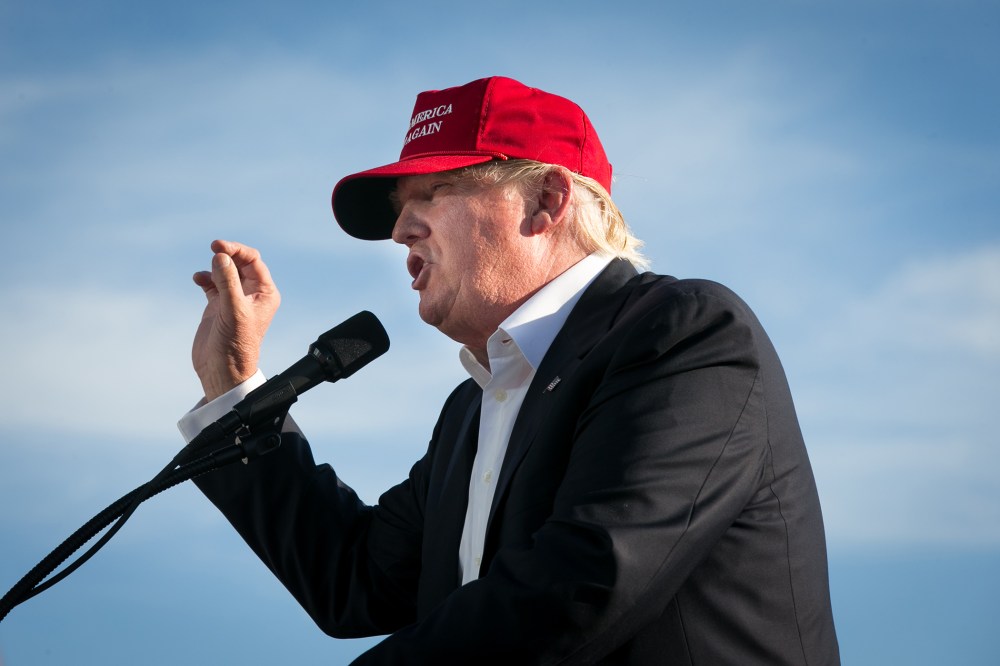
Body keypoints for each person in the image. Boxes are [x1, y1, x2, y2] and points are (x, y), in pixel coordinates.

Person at [178, 76, 840, 664]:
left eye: (434, 192)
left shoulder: (684, 332)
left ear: (546, 200)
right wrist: (231, 385)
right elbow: (355, 580)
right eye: (402, 208)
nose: (401, 229)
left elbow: (581, 583)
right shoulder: (472, 409)